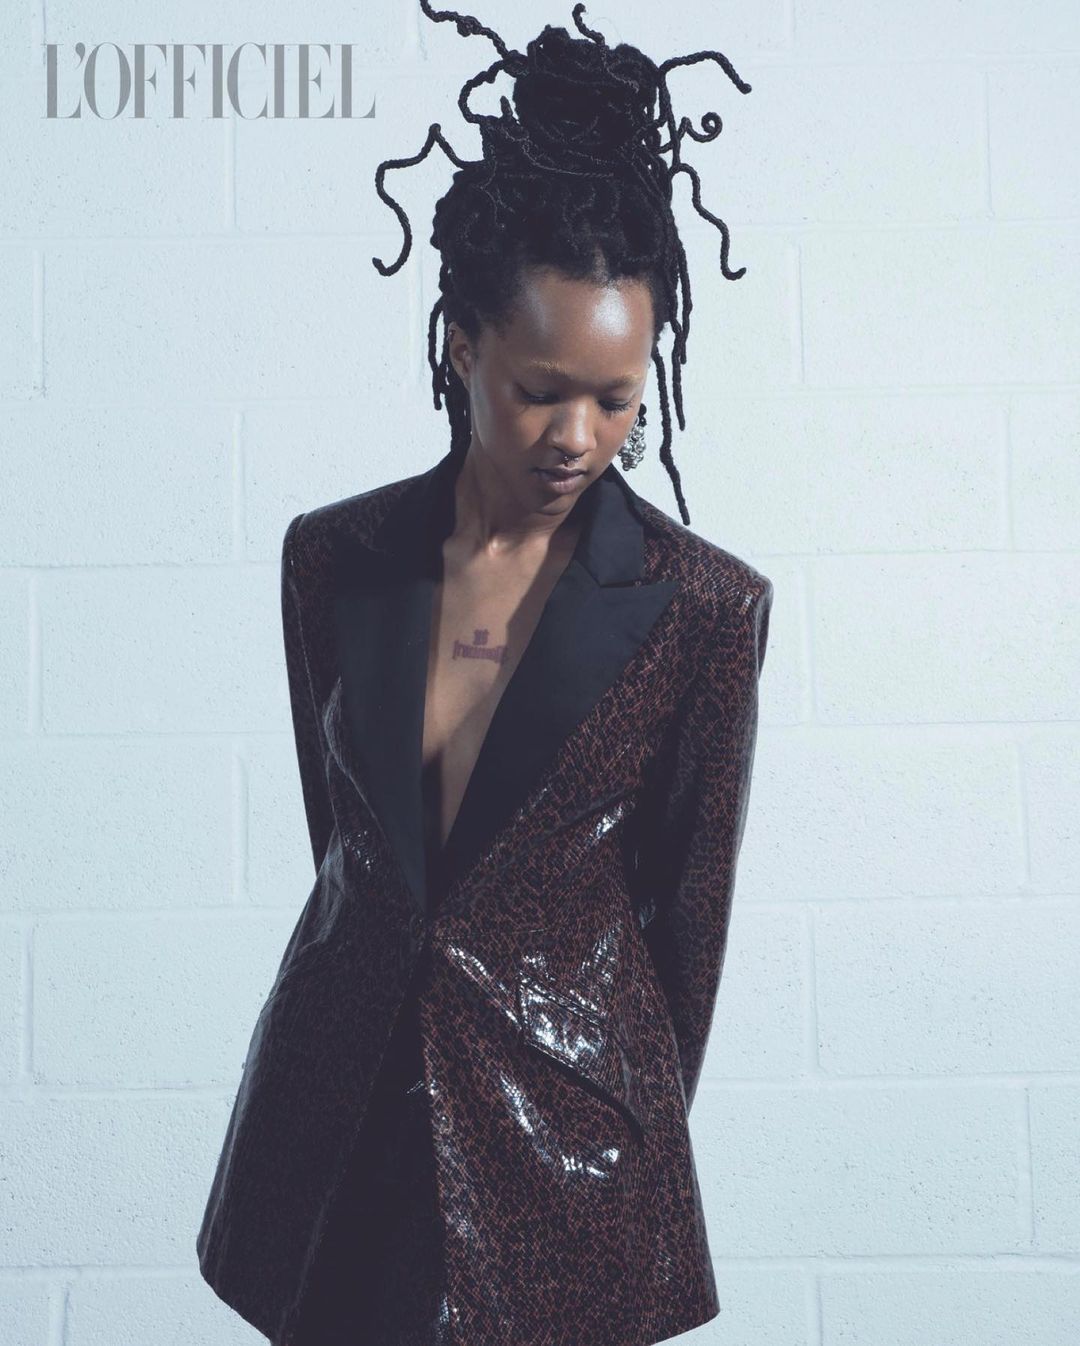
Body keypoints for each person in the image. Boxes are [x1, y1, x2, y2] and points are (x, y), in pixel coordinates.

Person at [196, 6, 773, 1344]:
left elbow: (686, 940)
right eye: (542, 388)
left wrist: (603, 1125)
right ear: (462, 343)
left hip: (567, 1149)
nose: (580, 435)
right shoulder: (332, 558)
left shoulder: (704, 609)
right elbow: (353, 856)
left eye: (619, 399)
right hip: (335, 1129)